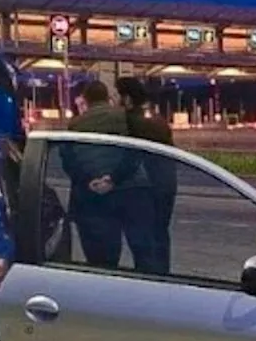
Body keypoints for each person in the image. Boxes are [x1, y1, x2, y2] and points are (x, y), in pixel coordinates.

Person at [63, 80, 161, 272]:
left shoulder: (75, 124)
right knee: (144, 252)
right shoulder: (124, 117)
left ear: (86, 100)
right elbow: (135, 153)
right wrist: (114, 179)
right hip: (132, 190)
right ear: (107, 97)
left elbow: (69, 160)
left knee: (103, 259)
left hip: (94, 195)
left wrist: (89, 181)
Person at [115, 76, 176, 274]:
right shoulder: (158, 120)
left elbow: (131, 157)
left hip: (147, 186)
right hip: (166, 183)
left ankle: (151, 282)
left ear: (128, 99)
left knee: (144, 241)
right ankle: (164, 277)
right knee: (160, 235)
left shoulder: (132, 121)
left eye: (119, 97)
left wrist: (112, 179)